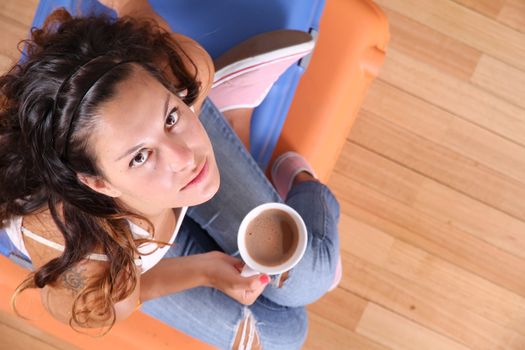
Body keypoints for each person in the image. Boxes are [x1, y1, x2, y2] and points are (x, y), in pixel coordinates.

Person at [0, 1, 341, 349]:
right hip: (122, 249)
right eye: (141, 156)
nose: (185, 157)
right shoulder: (78, 254)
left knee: (311, 275)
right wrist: (203, 270)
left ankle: (245, 127)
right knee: (285, 336)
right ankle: (244, 129)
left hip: (151, 165)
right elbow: (101, 308)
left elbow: (139, 20)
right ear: (100, 183)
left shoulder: (185, 71)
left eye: (171, 118)